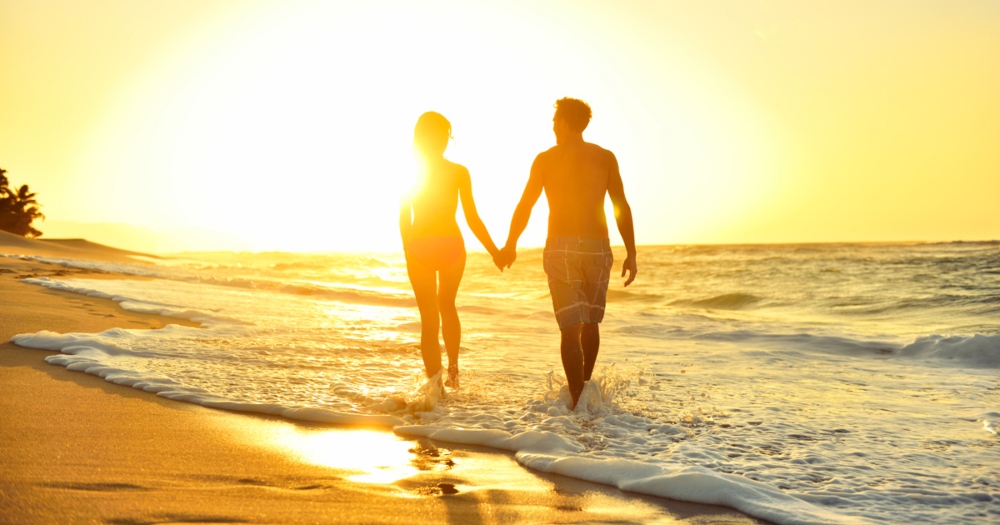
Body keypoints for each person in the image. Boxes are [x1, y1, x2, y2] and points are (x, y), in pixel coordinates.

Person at [499, 98, 637, 410]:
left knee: (570, 329)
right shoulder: (604, 157)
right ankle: (586, 395)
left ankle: (576, 404)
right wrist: (632, 252)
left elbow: (526, 204)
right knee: (590, 324)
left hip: (561, 247)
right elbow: (621, 206)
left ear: (562, 122)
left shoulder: (546, 159)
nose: (552, 127)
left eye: (554, 121)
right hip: (598, 247)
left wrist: (510, 244)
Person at [401, 111, 504, 390]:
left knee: (429, 318)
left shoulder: (410, 171)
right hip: (450, 244)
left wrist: (407, 249)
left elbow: (404, 217)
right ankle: (454, 373)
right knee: (447, 305)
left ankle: (436, 390)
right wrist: (495, 251)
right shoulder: (458, 172)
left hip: (420, 245)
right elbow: (472, 218)